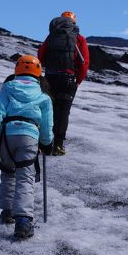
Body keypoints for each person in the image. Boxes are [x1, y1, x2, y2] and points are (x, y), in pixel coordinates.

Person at [0, 55, 53, 239]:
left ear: (17, 70)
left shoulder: (8, 87)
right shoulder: (44, 96)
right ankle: (24, 222)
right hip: (29, 136)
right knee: (25, 178)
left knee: (8, 173)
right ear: (38, 72)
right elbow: (46, 125)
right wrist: (47, 143)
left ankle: (7, 212)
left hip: (7, 136)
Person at [38, 11, 89, 156]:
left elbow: (40, 55)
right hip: (68, 79)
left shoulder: (51, 37)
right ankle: (58, 145)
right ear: (74, 22)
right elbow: (84, 63)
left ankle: (44, 142)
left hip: (50, 78)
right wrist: (77, 80)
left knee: (48, 109)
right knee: (63, 111)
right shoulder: (79, 38)